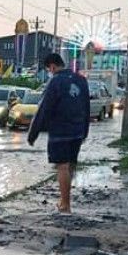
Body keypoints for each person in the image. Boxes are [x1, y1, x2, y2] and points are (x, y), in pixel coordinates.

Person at [28, 53, 90, 214]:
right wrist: (85, 131)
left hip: (60, 130)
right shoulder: (81, 80)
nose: (50, 72)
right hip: (77, 130)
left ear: (52, 67)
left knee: (62, 166)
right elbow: (86, 106)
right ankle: (64, 200)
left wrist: (33, 133)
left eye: (49, 69)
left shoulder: (55, 81)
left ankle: (65, 205)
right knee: (70, 165)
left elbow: (45, 108)